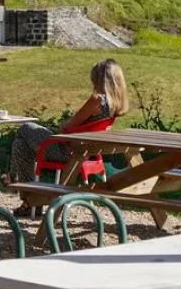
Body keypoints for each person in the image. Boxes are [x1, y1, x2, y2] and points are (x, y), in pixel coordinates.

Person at [7, 58, 128, 204]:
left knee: (26, 127)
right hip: (88, 153)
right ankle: (29, 202)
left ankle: (13, 177)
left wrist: (65, 124)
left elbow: (69, 125)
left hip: (67, 150)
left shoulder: (97, 100)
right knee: (20, 146)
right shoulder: (115, 105)